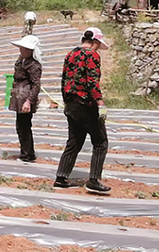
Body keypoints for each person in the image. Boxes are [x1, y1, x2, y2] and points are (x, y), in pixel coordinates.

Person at [54, 27, 111, 195]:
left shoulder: (70, 54)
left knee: (74, 141)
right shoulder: (92, 55)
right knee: (100, 142)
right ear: (95, 42)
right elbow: (92, 82)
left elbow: (64, 80)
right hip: (85, 104)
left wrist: (67, 101)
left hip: (71, 103)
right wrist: (100, 103)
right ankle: (94, 180)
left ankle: (61, 177)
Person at [9, 35, 43, 162]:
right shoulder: (22, 61)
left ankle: (27, 154)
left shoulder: (33, 65)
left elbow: (36, 85)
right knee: (21, 126)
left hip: (25, 96)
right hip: (19, 95)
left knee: (24, 127)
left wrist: (29, 101)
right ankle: (26, 152)